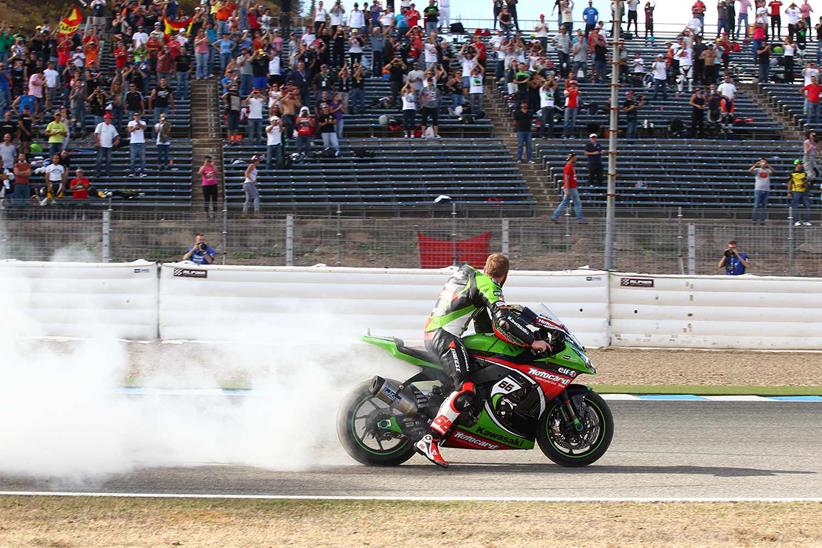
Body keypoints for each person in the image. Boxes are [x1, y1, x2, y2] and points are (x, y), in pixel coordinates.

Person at [415, 253, 549, 467]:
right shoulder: (490, 286)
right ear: (505, 276)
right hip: (444, 337)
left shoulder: (470, 277)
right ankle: (431, 439)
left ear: (486, 267)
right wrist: (532, 341)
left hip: (434, 332)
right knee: (466, 388)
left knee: (470, 380)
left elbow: (482, 321)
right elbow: (503, 321)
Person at [551, 152, 585, 222]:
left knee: (565, 202)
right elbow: (566, 178)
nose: (576, 159)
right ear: (572, 158)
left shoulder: (570, 166)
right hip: (571, 188)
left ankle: (555, 216)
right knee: (577, 203)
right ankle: (580, 219)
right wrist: (568, 189)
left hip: (571, 187)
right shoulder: (568, 166)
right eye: (575, 157)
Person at [788, 159, 812, 225]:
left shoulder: (804, 173)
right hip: (795, 191)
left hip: (804, 191)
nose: (801, 165)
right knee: (795, 206)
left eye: (801, 164)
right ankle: (796, 221)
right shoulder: (792, 173)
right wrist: (789, 192)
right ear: (796, 165)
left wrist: (805, 184)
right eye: (799, 164)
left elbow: (806, 182)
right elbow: (789, 183)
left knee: (807, 206)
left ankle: (806, 221)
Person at [750, 158, 773, 224]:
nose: (763, 164)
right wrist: (755, 164)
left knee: (764, 205)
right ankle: (754, 220)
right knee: (756, 205)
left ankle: (762, 220)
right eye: (762, 162)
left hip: (766, 189)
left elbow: (773, 171)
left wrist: (768, 165)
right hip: (758, 189)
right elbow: (750, 171)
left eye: (764, 162)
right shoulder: (757, 170)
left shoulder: (767, 170)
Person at [127, 111, 147, 177]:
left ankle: (142, 172)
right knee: (132, 159)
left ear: (140, 116)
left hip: (141, 142)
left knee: (142, 159)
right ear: (133, 116)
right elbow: (129, 130)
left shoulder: (143, 122)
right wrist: (135, 127)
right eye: (135, 115)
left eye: (138, 115)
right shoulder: (131, 122)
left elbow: (144, 128)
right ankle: (132, 172)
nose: (137, 116)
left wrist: (138, 123)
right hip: (133, 142)